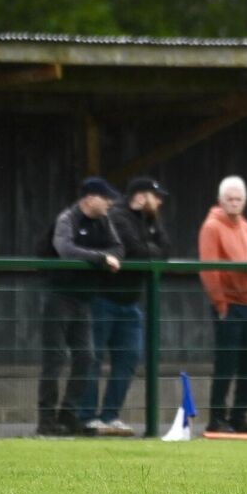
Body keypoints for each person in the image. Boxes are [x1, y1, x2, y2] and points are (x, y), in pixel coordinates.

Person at [80, 176, 170, 437]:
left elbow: (165, 251)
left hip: (130, 303)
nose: (160, 202)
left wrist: (152, 232)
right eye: (156, 196)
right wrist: (149, 246)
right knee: (93, 359)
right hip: (103, 299)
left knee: (129, 358)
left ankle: (110, 415)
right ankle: (87, 417)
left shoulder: (150, 220)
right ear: (140, 196)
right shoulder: (117, 217)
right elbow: (137, 251)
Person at [37, 177, 124, 437]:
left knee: (86, 356)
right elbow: (65, 249)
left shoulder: (104, 221)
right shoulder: (67, 219)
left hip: (84, 298)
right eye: (104, 197)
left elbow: (118, 248)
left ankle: (68, 413)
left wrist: (108, 258)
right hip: (59, 296)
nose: (109, 202)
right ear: (88, 198)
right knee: (55, 358)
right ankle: (46, 419)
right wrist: (100, 259)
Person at [199, 176, 247, 434]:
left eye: (238, 199)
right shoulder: (212, 227)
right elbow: (209, 269)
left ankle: (240, 416)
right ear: (220, 201)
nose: (234, 203)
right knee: (226, 363)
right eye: (230, 199)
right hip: (229, 305)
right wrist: (220, 303)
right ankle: (217, 418)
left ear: (244, 201)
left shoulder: (246, 226)